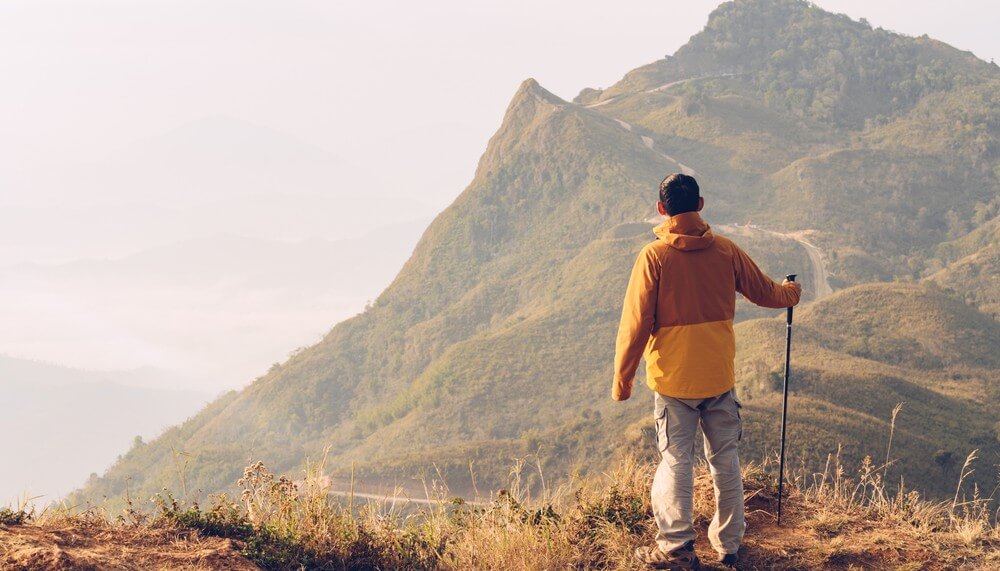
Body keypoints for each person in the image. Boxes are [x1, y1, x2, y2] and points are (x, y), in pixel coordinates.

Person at [613, 173, 801, 570]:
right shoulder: (726, 251)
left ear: (661, 209)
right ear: (700, 204)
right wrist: (791, 293)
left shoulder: (653, 257)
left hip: (674, 380)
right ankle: (729, 545)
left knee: (676, 459)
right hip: (718, 376)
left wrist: (622, 381)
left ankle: (677, 547)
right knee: (725, 458)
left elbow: (636, 325)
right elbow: (766, 293)